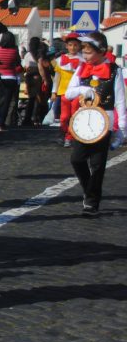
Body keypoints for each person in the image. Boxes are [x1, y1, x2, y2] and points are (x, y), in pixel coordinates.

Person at [64, 31, 126, 215]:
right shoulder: (81, 68)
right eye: (83, 51)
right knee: (77, 159)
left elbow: (120, 101)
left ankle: (92, 203)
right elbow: (68, 93)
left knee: (98, 164)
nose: (85, 55)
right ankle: (89, 189)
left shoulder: (114, 70)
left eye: (89, 52)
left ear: (101, 51)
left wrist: (122, 129)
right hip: (83, 120)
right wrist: (83, 89)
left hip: (104, 121)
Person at [54, 31, 83, 147]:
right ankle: (62, 133)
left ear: (79, 46)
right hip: (63, 91)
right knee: (64, 116)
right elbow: (57, 77)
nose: (73, 47)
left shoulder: (83, 60)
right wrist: (54, 91)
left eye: (75, 45)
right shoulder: (61, 59)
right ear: (66, 46)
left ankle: (70, 137)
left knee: (74, 114)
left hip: (77, 92)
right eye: (70, 45)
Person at [0, 31, 21, 132]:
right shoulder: (14, 51)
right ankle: (0, 124)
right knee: (6, 102)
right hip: (10, 77)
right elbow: (17, 63)